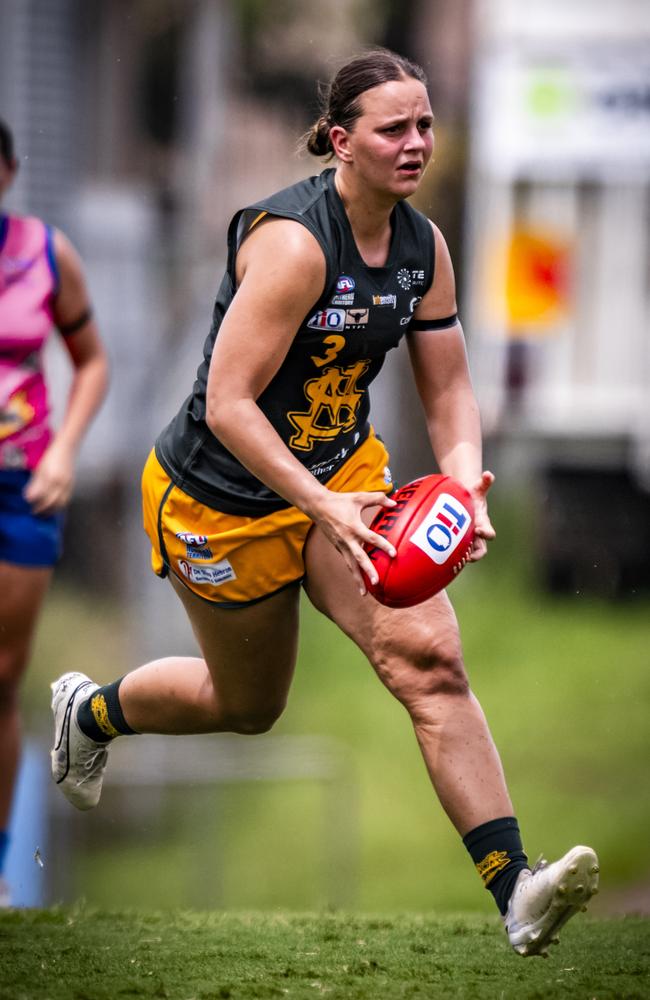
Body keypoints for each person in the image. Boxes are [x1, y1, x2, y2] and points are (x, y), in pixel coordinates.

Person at [49, 50, 598, 954]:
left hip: (342, 480)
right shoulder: (295, 244)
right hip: (219, 498)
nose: (417, 143)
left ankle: (518, 891)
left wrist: (463, 478)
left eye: (425, 124)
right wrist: (321, 506)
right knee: (249, 703)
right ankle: (93, 714)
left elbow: (450, 386)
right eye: (394, 129)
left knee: (432, 664)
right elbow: (227, 403)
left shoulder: (423, 248)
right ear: (342, 142)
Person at [0, 119, 109, 905]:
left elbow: (92, 359)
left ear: (8, 173)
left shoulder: (44, 253)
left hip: (22, 483)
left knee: (4, 678)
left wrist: (66, 450)